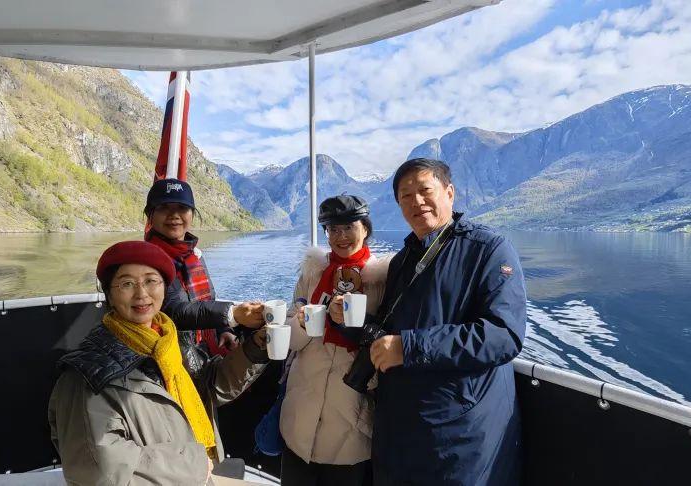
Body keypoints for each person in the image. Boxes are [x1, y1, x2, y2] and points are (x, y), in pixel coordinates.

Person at [333, 158, 527, 485]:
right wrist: (350, 321)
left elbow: (503, 336)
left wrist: (409, 348)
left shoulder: (489, 249)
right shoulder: (403, 260)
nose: (417, 201)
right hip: (400, 431)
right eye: (406, 196)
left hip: (458, 436)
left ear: (449, 193)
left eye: (425, 190)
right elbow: (391, 333)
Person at [48, 240, 271, 485]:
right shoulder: (86, 377)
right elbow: (94, 470)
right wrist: (193, 464)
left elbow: (209, 386)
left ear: (164, 289)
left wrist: (255, 349)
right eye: (127, 283)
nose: (141, 294)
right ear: (109, 294)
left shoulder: (170, 343)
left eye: (151, 281)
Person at [280, 195, 392, 485]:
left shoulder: (383, 280)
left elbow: (387, 343)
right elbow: (292, 341)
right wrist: (301, 323)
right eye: (332, 229)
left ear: (365, 228)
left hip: (352, 419)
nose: (340, 236)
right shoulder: (311, 273)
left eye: (349, 227)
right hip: (300, 413)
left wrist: (357, 325)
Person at [143, 178, 265, 354]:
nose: (174, 215)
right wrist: (232, 314)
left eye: (182, 208)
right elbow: (173, 311)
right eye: (164, 208)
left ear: (192, 214)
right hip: (166, 353)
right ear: (150, 215)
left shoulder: (194, 256)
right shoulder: (145, 261)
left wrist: (223, 330)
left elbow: (208, 300)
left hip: (200, 350)